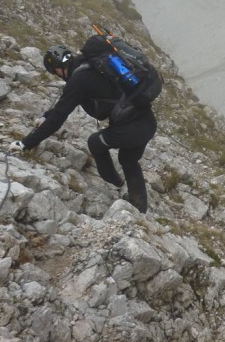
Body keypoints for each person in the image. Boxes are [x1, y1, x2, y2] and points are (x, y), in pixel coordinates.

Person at [10, 42, 157, 213]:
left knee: (95, 142)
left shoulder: (78, 81)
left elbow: (59, 116)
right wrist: (46, 116)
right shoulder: (89, 64)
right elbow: (64, 104)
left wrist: (26, 143)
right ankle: (139, 207)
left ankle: (115, 181)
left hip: (131, 128)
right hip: (147, 121)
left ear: (57, 69)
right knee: (128, 160)